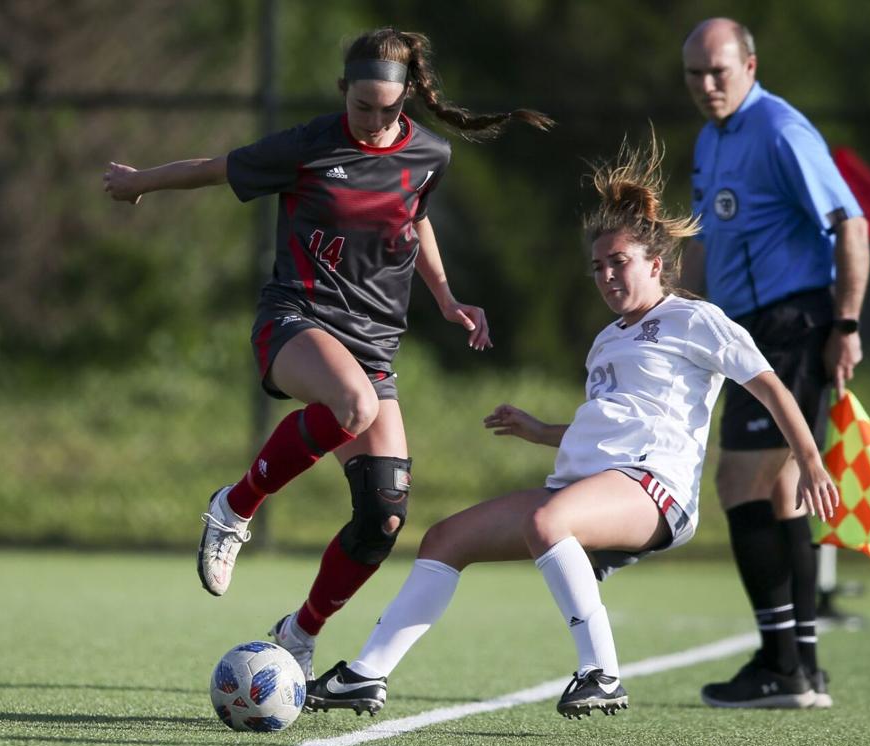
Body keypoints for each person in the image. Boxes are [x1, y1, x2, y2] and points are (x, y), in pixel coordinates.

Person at [304, 132, 839, 719]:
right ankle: (366, 675)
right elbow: (611, 423)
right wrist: (542, 431)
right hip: (583, 487)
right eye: (598, 267)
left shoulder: (695, 320)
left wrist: (810, 461)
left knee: (547, 519)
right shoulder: (607, 341)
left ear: (656, 264)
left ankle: (602, 673)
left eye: (621, 263)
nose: (608, 275)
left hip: (653, 489)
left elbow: (770, 386)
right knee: (444, 539)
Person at [103, 27, 552, 680]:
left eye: (388, 109)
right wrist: (140, 180)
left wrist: (448, 299)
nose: (374, 121)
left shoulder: (430, 154)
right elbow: (212, 168)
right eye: (362, 106)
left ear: (407, 101)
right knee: (353, 402)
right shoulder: (308, 146)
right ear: (344, 92)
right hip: (295, 321)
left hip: (373, 345)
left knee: (385, 514)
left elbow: (415, 217)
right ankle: (235, 505)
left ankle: (300, 631)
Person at [680, 18, 870, 709]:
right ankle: (799, 667)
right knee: (783, 489)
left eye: (719, 72)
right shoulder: (710, 137)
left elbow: (850, 222)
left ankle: (780, 663)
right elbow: (704, 239)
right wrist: (678, 313)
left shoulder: (782, 131)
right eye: (695, 74)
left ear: (751, 66)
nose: (706, 85)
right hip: (743, 329)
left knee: (740, 481)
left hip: (790, 323)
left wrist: (845, 324)